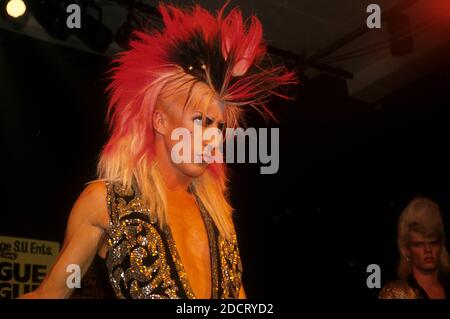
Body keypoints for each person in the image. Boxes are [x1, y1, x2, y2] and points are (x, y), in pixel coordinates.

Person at [18, 2, 296, 299]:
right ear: (160, 120)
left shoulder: (219, 218)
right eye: (201, 121)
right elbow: (50, 294)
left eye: (220, 127)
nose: (214, 139)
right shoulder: (106, 202)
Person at [379, 197, 450, 299]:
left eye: (433, 243)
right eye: (419, 244)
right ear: (406, 249)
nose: (428, 250)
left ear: (441, 246)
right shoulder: (394, 293)